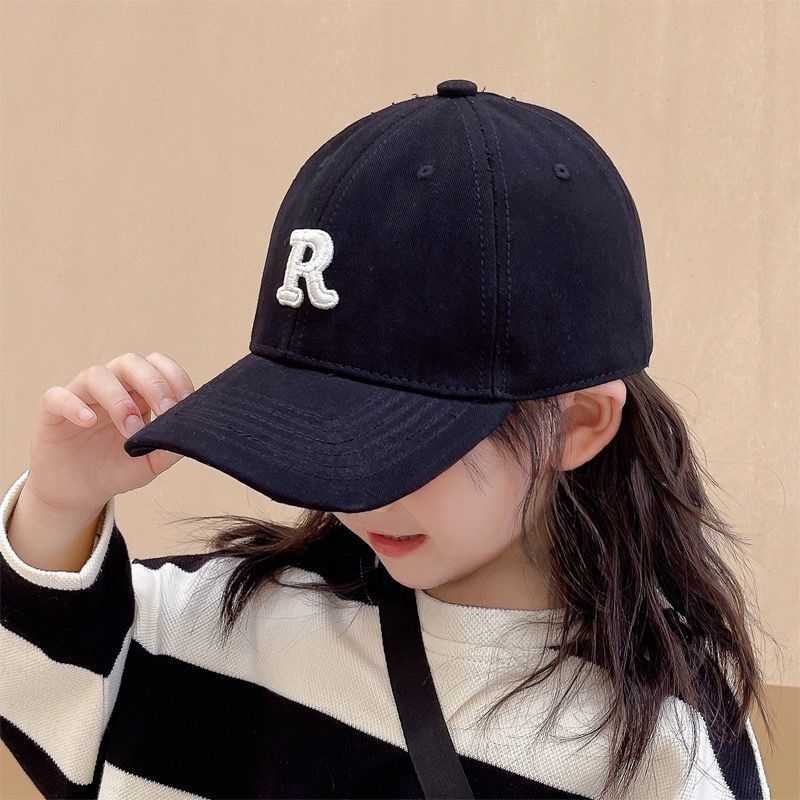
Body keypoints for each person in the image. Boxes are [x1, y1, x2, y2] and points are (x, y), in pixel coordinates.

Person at [0, 79, 776, 799]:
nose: (356, 491)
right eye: (318, 428)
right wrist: (59, 506)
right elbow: (44, 683)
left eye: (397, 442)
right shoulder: (215, 623)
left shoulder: (661, 748)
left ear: (577, 423)